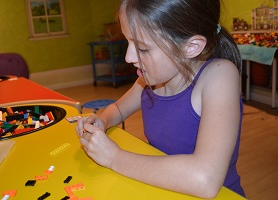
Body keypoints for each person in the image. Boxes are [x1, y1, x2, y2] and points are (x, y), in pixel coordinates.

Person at [76, 0, 245, 198]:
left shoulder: (219, 76)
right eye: (128, 42)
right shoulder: (148, 80)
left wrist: (115, 158)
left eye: (142, 48)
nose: (128, 57)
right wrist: (102, 121)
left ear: (191, 47)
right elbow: (119, 109)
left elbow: (204, 180)